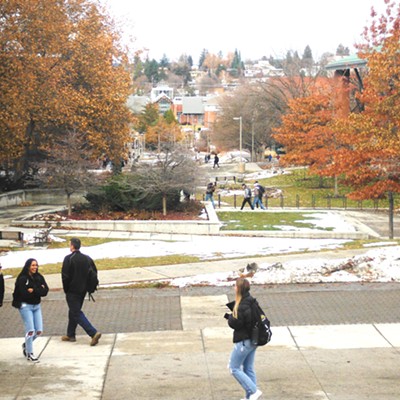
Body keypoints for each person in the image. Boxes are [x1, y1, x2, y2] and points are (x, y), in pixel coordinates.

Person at [225, 278, 262, 400]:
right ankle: (249, 397)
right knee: (248, 368)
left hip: (244, 341)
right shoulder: (252, 301)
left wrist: (230, 317)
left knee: (233, 367)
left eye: (235, 286)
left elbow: (236, 324)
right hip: (253, 340)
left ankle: (254, 391)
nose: (234, 288)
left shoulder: (241, 306)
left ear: (239, 289)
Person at [61, 238, 101, 346]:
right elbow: (94, 273)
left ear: (72, 246)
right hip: (83, 290)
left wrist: (66, 289)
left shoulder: (68, 259)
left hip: (72, 291)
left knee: (76, 313)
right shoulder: (87, 258)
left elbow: (65, 277)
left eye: (70, 244)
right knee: (74, 310)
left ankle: (93, 333)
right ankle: (70, 334)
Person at [15, 258, 49, 363]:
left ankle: (26, 344)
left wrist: (33, 290)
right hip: (25, 306)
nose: (35, 267)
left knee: (38, 331)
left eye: (36, 265)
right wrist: (38, 289)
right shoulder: (22, 278)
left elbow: (45, 291)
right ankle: (30, 353)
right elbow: (24, 294)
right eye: (33, 265)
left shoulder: (39, 277)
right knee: (30, 330)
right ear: (28, 266)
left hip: (36, 306)